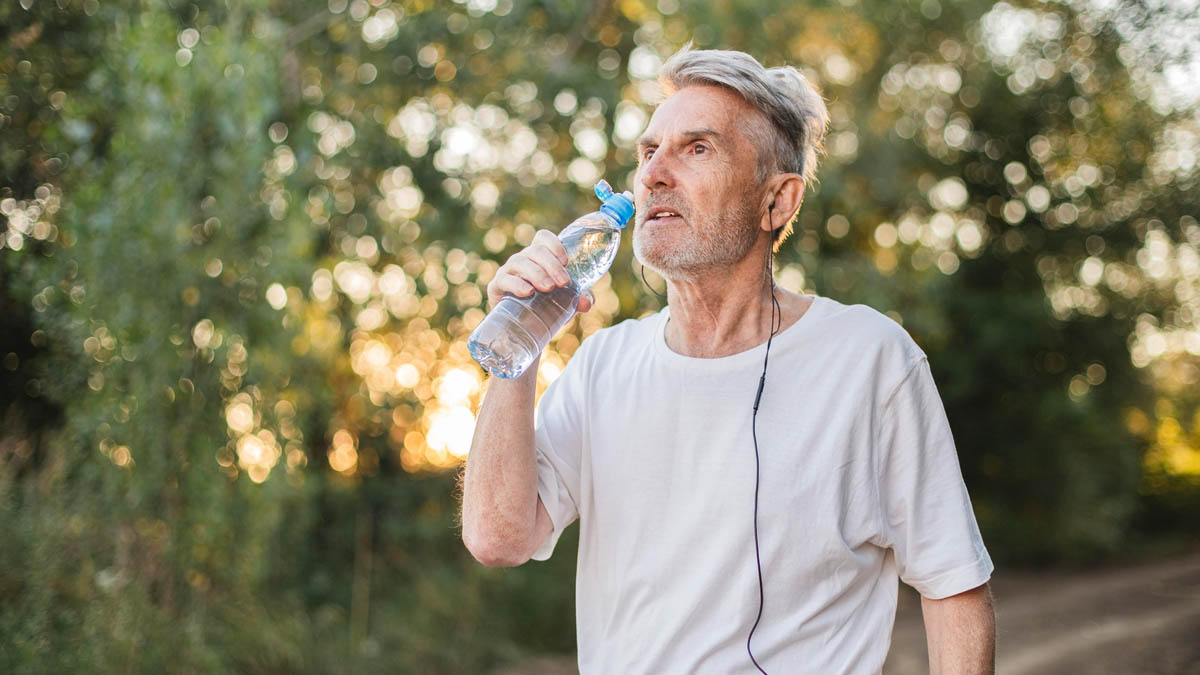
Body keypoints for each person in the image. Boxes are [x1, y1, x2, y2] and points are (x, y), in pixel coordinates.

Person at [460, 45, 995, 674]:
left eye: (697, 148)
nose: (655, 173)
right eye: (649, 151)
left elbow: (953, 586)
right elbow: (498, 537)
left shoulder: (869, 359)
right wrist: (516, 349)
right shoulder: (604, 363)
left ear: (777, 202)